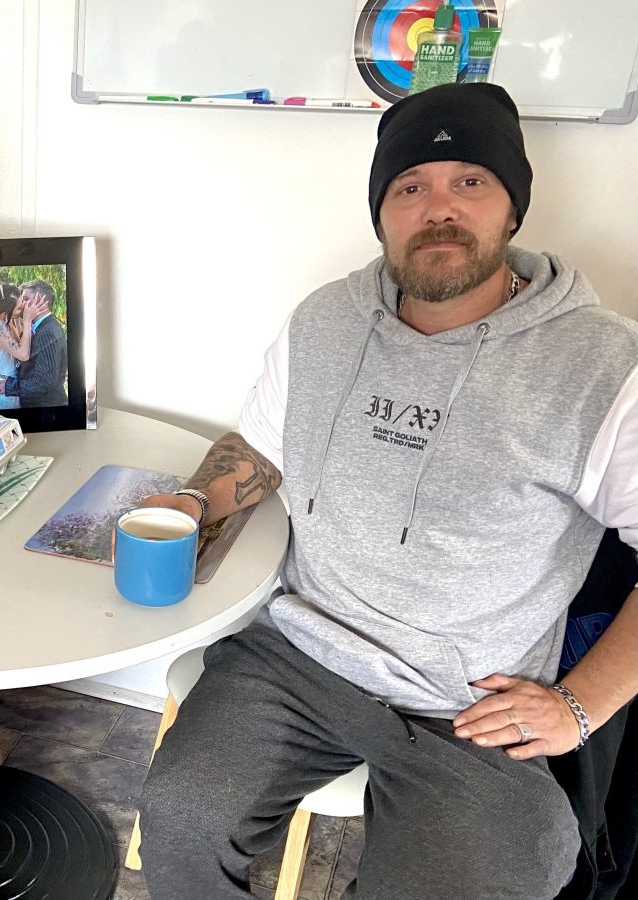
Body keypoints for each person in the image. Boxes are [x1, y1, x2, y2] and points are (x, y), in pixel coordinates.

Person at [137, 83, 638, 900]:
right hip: (298, 656)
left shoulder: (603, 365)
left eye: (468, 181)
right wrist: (192, 504)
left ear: (513, 208)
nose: (438, 208)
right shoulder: (326, 321)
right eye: (411, 188)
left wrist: (578, 708)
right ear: (382, 213)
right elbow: (258, 449)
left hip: (471, 706)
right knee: (180, 815)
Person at [0, 279, 68, 407]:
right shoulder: (38, 328)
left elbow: (44, 381)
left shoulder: (48, 331)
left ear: (41, 301)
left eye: (26, 299)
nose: (21, 305)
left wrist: (11, 386)